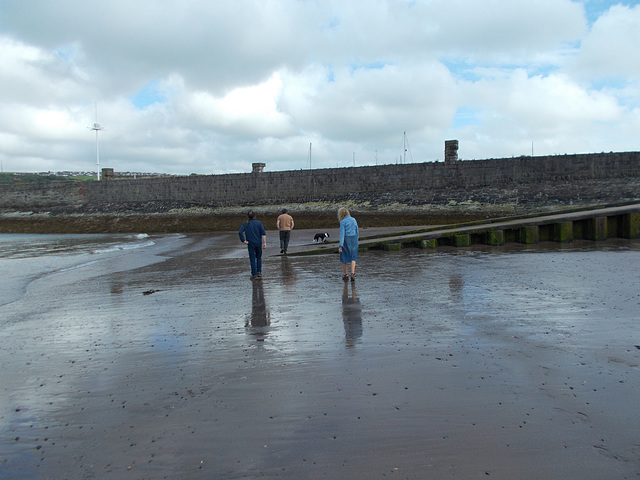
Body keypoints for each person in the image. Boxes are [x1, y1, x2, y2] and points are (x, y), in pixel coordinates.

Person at [238, 210, 266, 279]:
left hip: (250, 243)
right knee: (259, 257)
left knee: (252, 258)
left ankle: (254, 273)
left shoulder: (245, 224)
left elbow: (240, 232)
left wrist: (243, 240)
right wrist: (264, 242)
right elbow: (263, 233)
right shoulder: (259, 223)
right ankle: (259, 271)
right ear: (255, 216)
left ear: (248, 216)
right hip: (258, 243)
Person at [338, 207, 359, 281]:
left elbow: (342, 234)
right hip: (354, 238)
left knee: (344, 257)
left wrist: (341, 245)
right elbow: (357, 230)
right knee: (353, 256)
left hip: (346, 239)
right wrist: (357, 240)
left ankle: (346, 274)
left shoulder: (342, 222)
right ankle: (353, 273)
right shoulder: (353, 219)